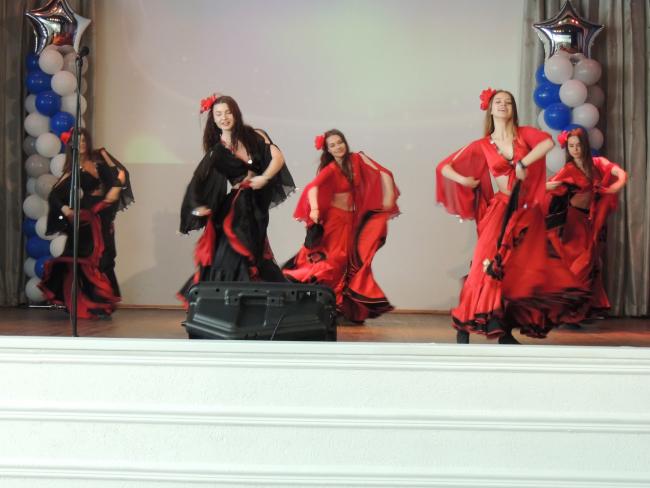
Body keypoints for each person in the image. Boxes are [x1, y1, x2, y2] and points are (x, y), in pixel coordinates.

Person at [436, 88, 587, 344]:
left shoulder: (524, 134)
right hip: (500, 210)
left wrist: (523, 163)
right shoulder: (482, 145)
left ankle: (503, 330)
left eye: (508, 102)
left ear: (513, 109)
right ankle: (464, 323)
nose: (503, 105)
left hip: (525, 212)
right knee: (484, 264)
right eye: (498, 101)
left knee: (516, 271)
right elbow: (444, 167)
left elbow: (547, 143)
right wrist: (465, 180)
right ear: (490, 110)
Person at [178, 94, 295, 306]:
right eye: (218, 114)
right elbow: (197, 180)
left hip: (255, 207)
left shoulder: (254, 135)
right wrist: (196, 207)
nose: (224, 117)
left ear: (236, 113)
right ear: (213, 119)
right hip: (235, 207)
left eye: (228, 112)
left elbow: (277, 157)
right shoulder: (217, 151)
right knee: (230, 253)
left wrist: (265, 177)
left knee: (256, 254)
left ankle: (259, 305)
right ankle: (221, 306)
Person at [283, 129, 399, 323]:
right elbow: (313, 188)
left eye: (340, 142)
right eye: (333, 145)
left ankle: (343, 308)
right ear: (327, 150)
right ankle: (330, 302)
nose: (338, 147)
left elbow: (385, 173)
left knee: (350, 262)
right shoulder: (331, 169)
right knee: (335, 260)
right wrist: (315, 209)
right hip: (335, 221)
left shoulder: (357, 159)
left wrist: (388, 198)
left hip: (353, 220)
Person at [39, 128, 134, 319]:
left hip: (103, 216)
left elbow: (121, 175)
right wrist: (65, 209)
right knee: (85, 260)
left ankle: (100, 303)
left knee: (105, 258)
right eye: (77, 141)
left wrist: (115, 187)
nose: (81, 144)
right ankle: (90, 304)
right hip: (85, 219)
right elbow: (54, 195)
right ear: (71, 145)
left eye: (84, 140)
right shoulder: (72, 169)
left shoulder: (100, 159)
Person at [546, 127, 627, 322]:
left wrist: (614, 188)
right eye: (571, 146)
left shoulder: (597, 163)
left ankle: (578, 311)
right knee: (583, 261)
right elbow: (547, 187)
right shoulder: (568, 169)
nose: (575, 149)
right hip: (573, 221)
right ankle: (565, 306)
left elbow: (622, 174)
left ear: (585, 146)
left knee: (591, 262)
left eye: (578, 145)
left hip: (592, 219)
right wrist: (545, 186)